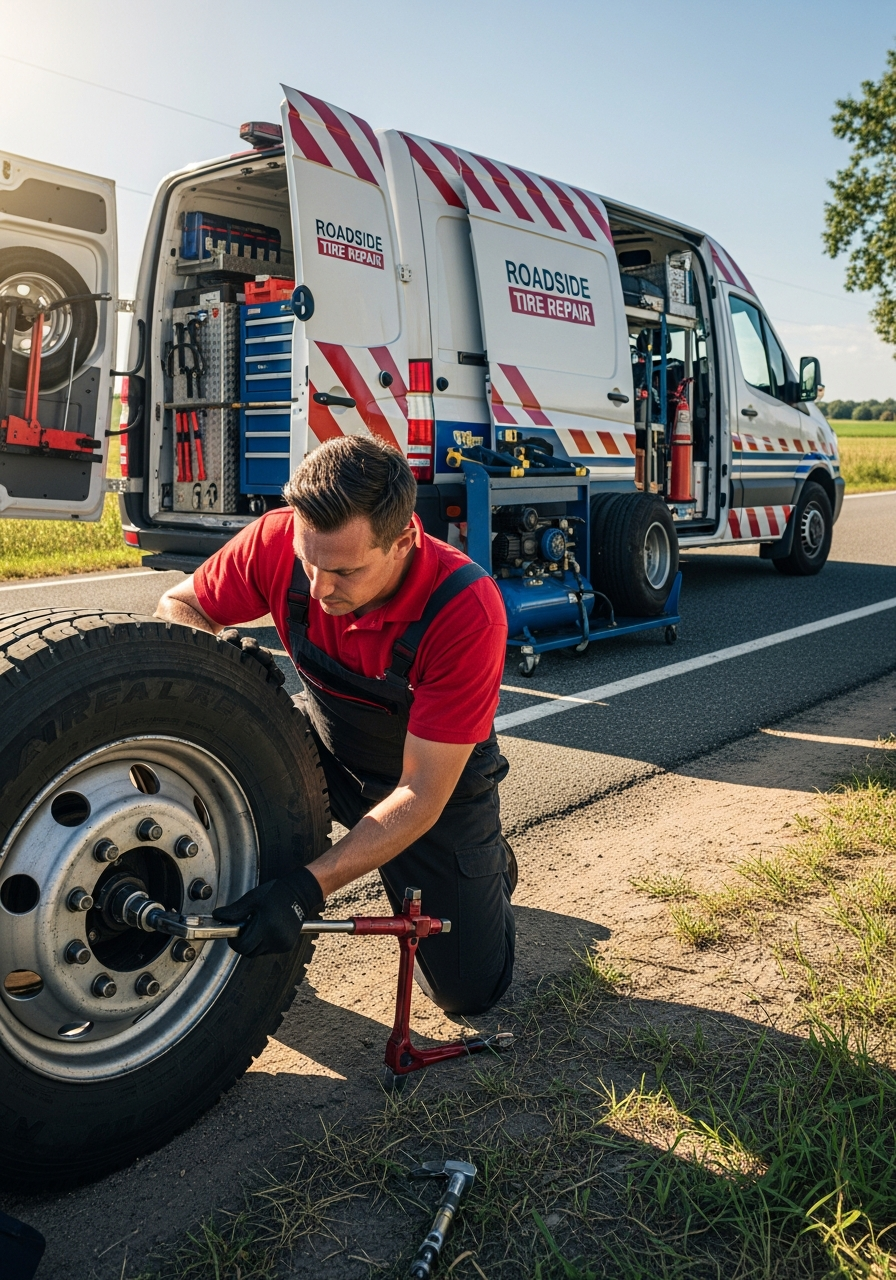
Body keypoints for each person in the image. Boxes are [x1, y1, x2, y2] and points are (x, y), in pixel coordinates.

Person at [155, 435, 514, 1016]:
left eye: (345, 571)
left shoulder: (465, 608)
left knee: (468, 993)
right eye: (307, 563)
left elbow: (420, 794)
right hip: (323, 749)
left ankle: (486, 866)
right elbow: (178, 606)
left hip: (431, 790)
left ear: (402, 542)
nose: (319, 590)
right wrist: (215, 658)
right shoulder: (282, 538)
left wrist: (305, 890)